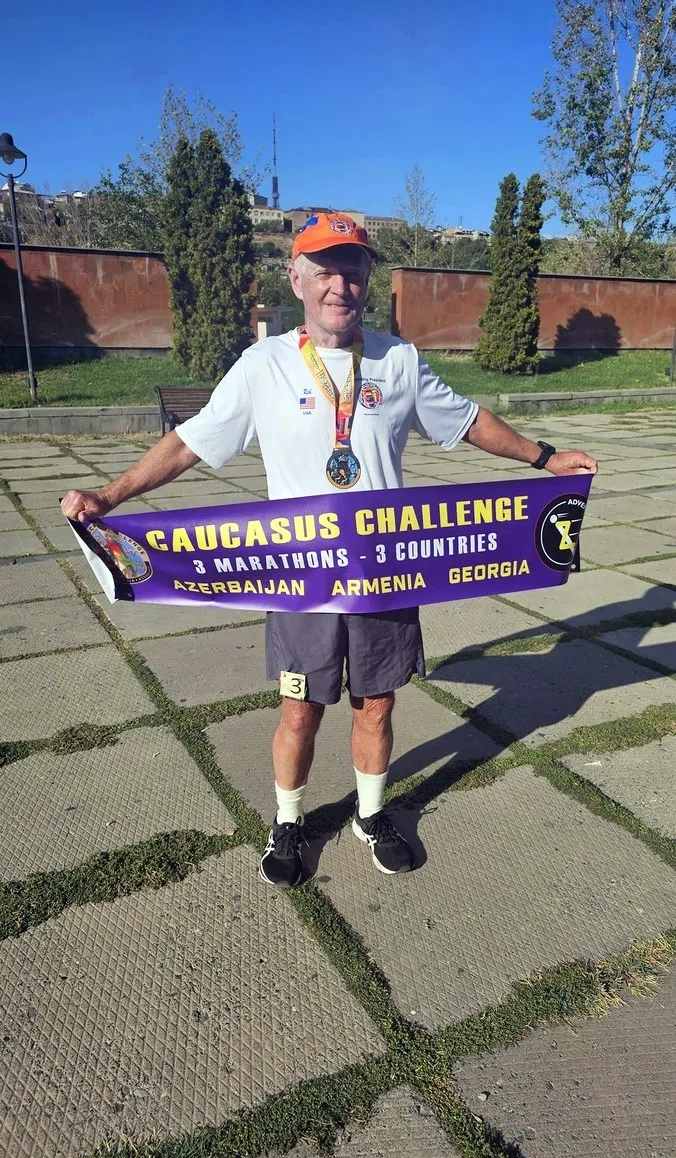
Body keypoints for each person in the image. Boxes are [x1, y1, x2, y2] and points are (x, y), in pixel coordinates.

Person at [61, 212, 597, 889]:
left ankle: (370, 815)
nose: (339, 286)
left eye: (353, 271)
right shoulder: (263, 366)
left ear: (368, 280)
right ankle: (288, 822)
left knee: (378, 706)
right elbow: (190, 442)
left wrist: (544, 458)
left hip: (383, 576)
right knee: (300, 709)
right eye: (324, 271)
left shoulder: (397, 361)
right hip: (300, 582)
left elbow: (467, 421)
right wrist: (110, 495)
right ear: (296, 279)